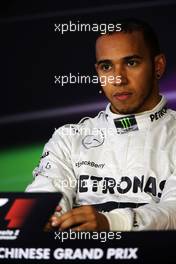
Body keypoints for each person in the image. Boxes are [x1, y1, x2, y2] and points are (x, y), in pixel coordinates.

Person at [26, 19, 176, 231]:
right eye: (107, 67)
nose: (118, 79)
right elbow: (44, 198)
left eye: (131, 63)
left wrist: (110, 222)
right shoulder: (68, 138)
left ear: (158, 66)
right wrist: (45, 217)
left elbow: (174, 210)